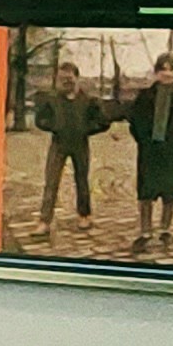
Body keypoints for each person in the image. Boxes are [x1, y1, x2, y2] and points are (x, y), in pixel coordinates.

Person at [124, 55, 173, 253]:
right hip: (150, 151)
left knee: (171, 190)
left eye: (171, 69)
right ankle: (145, 231)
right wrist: (143, 140)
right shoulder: (146, 95)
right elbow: (135, 120)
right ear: (157, 72)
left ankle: (165, 229)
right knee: (146, 191)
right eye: (162, 69)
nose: (166, 73)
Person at [32, 62, 103, 226]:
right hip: (59, 144)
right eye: (62, 78)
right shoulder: (52, 100)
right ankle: (44, 221)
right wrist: (54, 126)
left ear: (77, 78)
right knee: (51, 182)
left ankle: (84, 215)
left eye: (69, 78)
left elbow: (101, 121)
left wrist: (86, 129)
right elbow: (40, 120)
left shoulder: (88, 101)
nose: (66, 82)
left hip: (80, 144)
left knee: (82, 181)